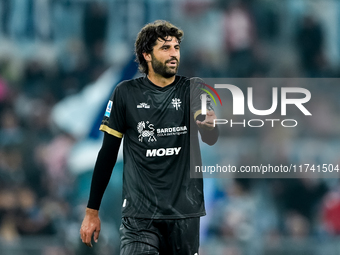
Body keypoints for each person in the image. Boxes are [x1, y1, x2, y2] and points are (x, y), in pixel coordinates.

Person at [80, 20, 219, 255]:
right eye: (165, 48)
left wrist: (209, 126)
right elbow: (107, 154)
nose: (173, 54)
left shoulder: (192, 89)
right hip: (140, 216)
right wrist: (92, 211)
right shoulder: (124, 94)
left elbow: (211, 136)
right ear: (146, 55)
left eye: (176, 48)